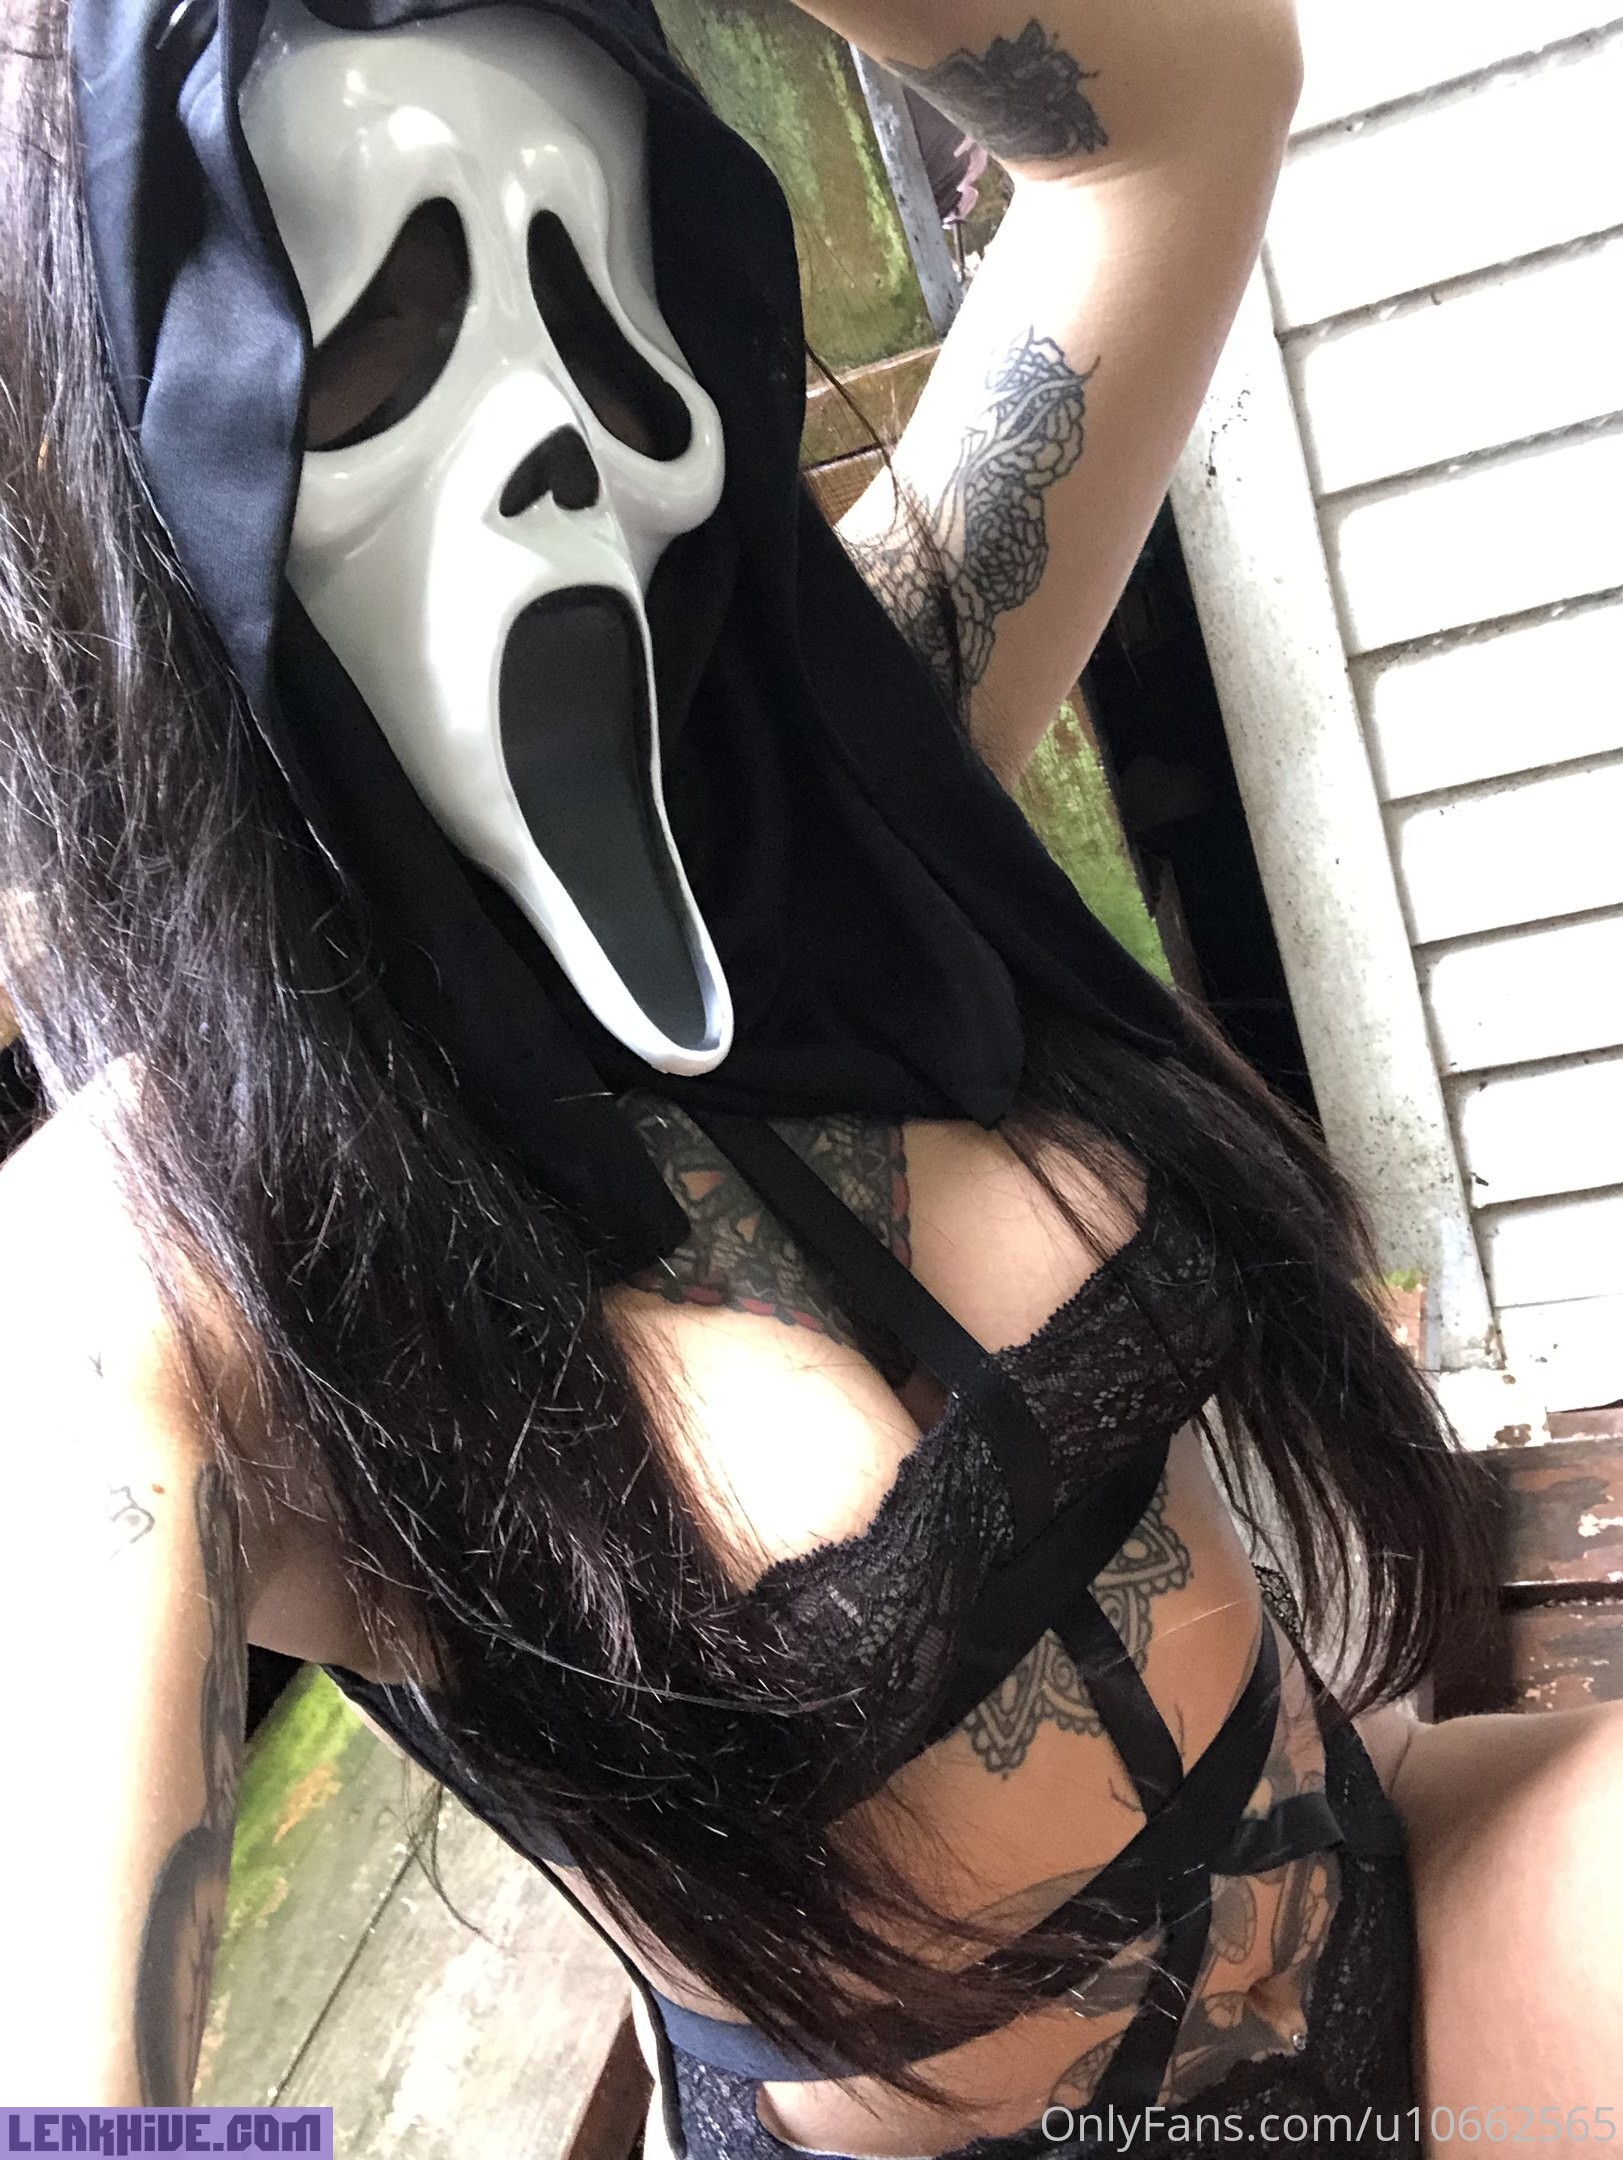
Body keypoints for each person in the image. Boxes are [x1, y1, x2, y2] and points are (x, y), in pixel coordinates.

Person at [0, 0, 1619, 2153]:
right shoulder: (175, 1262)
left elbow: (1180, 111)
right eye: (377, 348)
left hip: (1385, 1915)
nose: (565, 450)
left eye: (606, 299)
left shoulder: (844, 773)